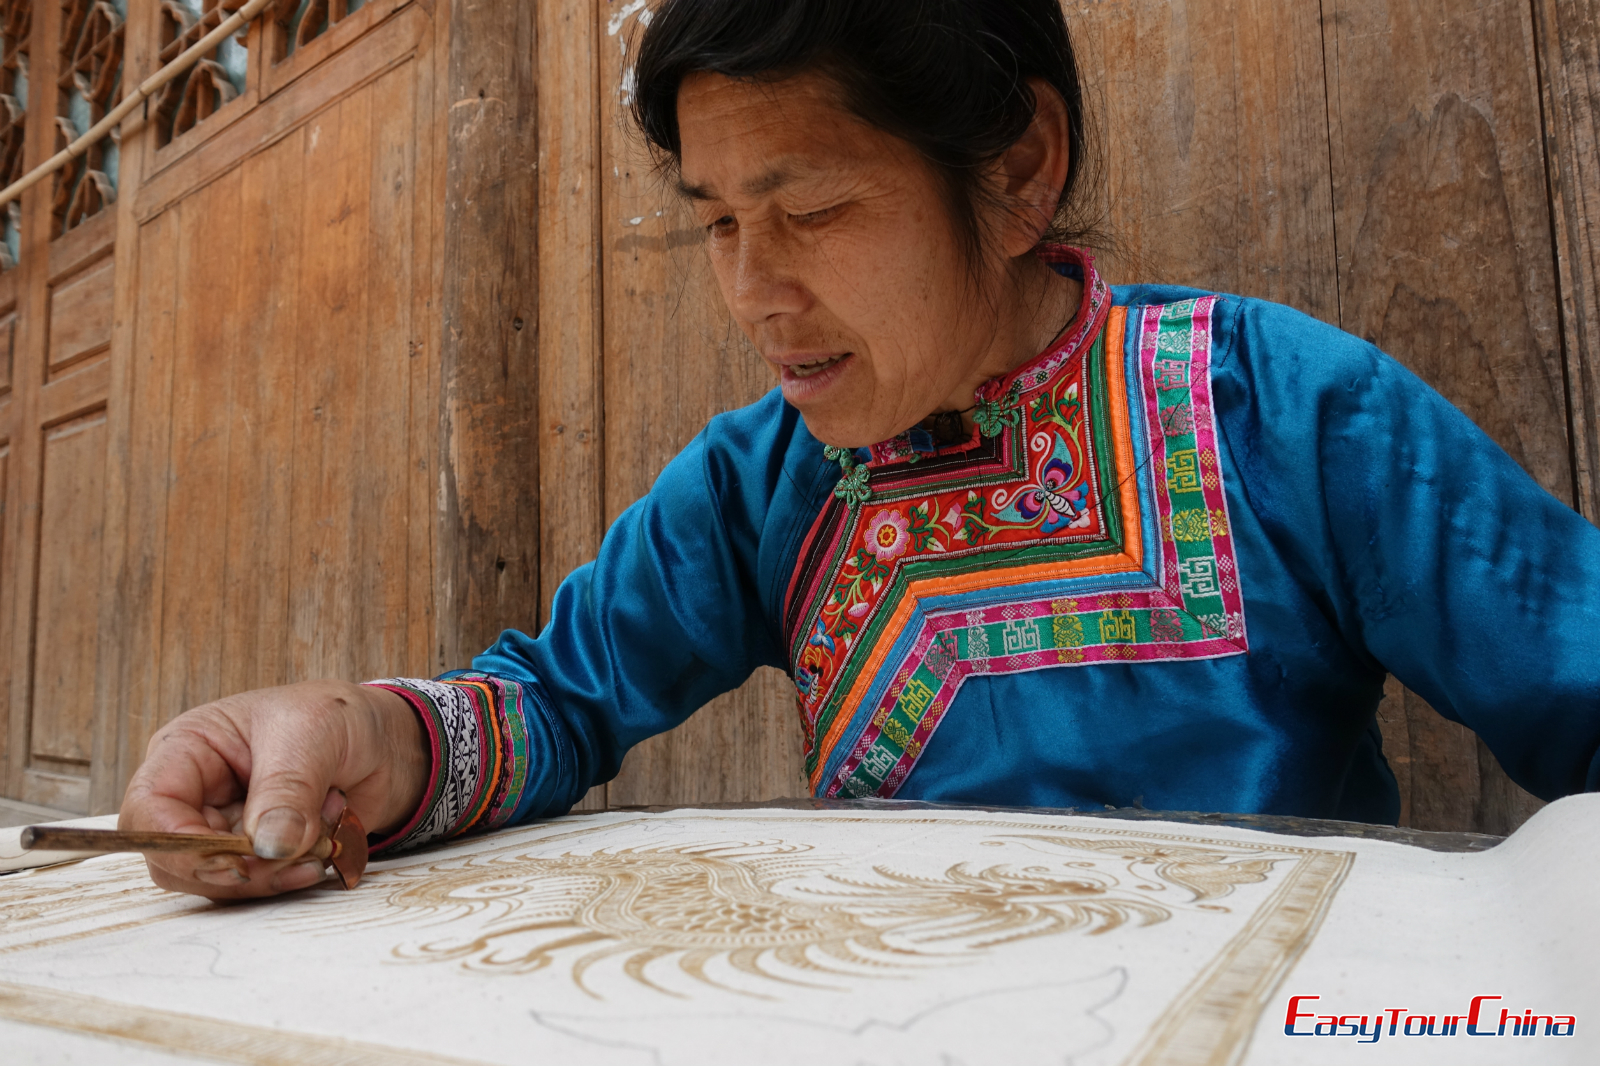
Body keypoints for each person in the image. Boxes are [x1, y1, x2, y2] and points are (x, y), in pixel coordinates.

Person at [120, 0, 1600, 899]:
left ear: (1018, 167)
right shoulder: (766, 483)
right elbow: (560, 698)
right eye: (715, 220)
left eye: (810, 209)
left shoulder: (1277, 410)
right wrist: (366, 741)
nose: (752, 289)